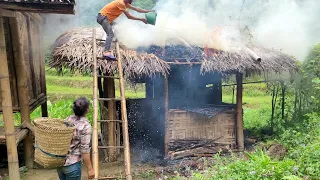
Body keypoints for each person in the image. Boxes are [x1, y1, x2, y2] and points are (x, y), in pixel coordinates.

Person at [57, 97, 94, 180]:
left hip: (60, 163)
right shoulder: (85, 126)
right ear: (87, 110)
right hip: (72, 165)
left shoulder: (68, 119)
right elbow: (84, 150)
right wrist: (90, 169)